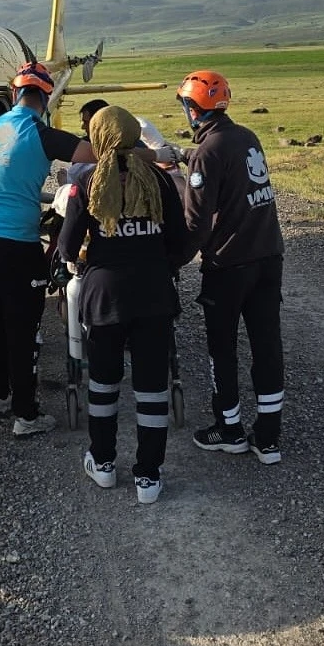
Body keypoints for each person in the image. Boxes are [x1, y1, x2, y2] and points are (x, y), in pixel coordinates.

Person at [58, 107, 187, 503]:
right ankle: (148, 476)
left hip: (105, 298)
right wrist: (157, 261)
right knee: (152, 389)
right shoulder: (160, 181)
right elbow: (181, 243)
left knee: (103, 384)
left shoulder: (88, 182)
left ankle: (103, 463)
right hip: (154, 296)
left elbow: (67, 247)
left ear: (98, 139)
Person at [0, 63, 92, 436]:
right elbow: (95, 153)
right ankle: (27, 415)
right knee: (23, 326)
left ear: (16, 93)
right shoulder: (41, 133)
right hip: (14, 241)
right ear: (45, 98)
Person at [178, 70, 285, 464]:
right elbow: (228, 166)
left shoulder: (208, 152)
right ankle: (269, 437)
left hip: (229, 264)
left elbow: (196, 223)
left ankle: (229, 429)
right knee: (266, 345)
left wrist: (172, 261)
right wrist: (183, 154)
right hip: (268, 257)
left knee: (221, 348)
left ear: (193, 109)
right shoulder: (246, 136)